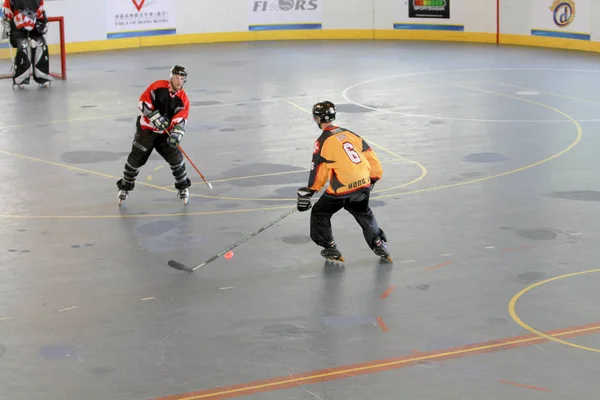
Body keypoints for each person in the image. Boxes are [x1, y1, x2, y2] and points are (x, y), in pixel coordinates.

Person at [296, 101, 392, 263]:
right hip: (363, 182)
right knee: (363, 211)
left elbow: (319, 170)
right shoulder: (350, 134)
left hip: (342, 188)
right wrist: (373, 178)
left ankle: (330, 246)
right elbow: (370, 155)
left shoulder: (322, 141)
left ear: (318, 118)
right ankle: (378, 243)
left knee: (320, 212)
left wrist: (310, 191)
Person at [116, 65, 191, 206]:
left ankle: (183, 188)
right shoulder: (157, 86)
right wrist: (154, 117)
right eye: (176, 77)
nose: (179, 80)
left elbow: (181, 120)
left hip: (165, 133)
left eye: (182, 78)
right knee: (136, 158)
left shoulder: (183, 99)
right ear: (171, 77)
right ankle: (124, 188)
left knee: (177, 159)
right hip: (147, 129)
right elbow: (143, 103)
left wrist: (176, 135)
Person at [1, 0, 52, 88]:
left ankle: (42, 77)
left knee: (40, 44)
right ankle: (21, 79)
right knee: (23, 45)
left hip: (34, 28)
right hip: (17, 28)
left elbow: (40, 13)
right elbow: (7, 15)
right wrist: (6, 29)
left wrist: (42, 24)